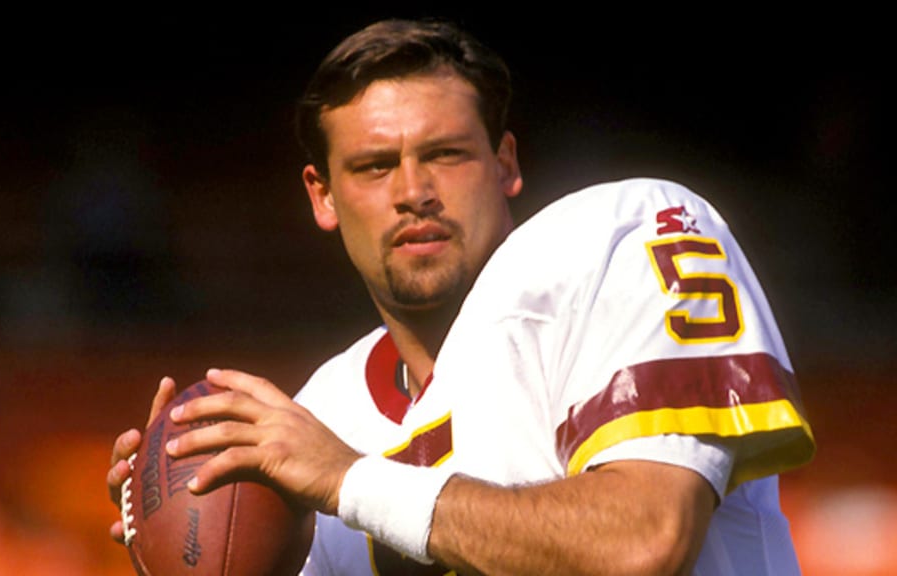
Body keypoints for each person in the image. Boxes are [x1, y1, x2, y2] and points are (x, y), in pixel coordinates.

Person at [107, 19, 815, 575]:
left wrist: (351, 480)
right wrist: (184, 549)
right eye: (375, 166)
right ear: (321, 196)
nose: (413, 193)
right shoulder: (323, 411)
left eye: (445, 155)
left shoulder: (616, 240)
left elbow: (643, 543)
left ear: (505, 163)